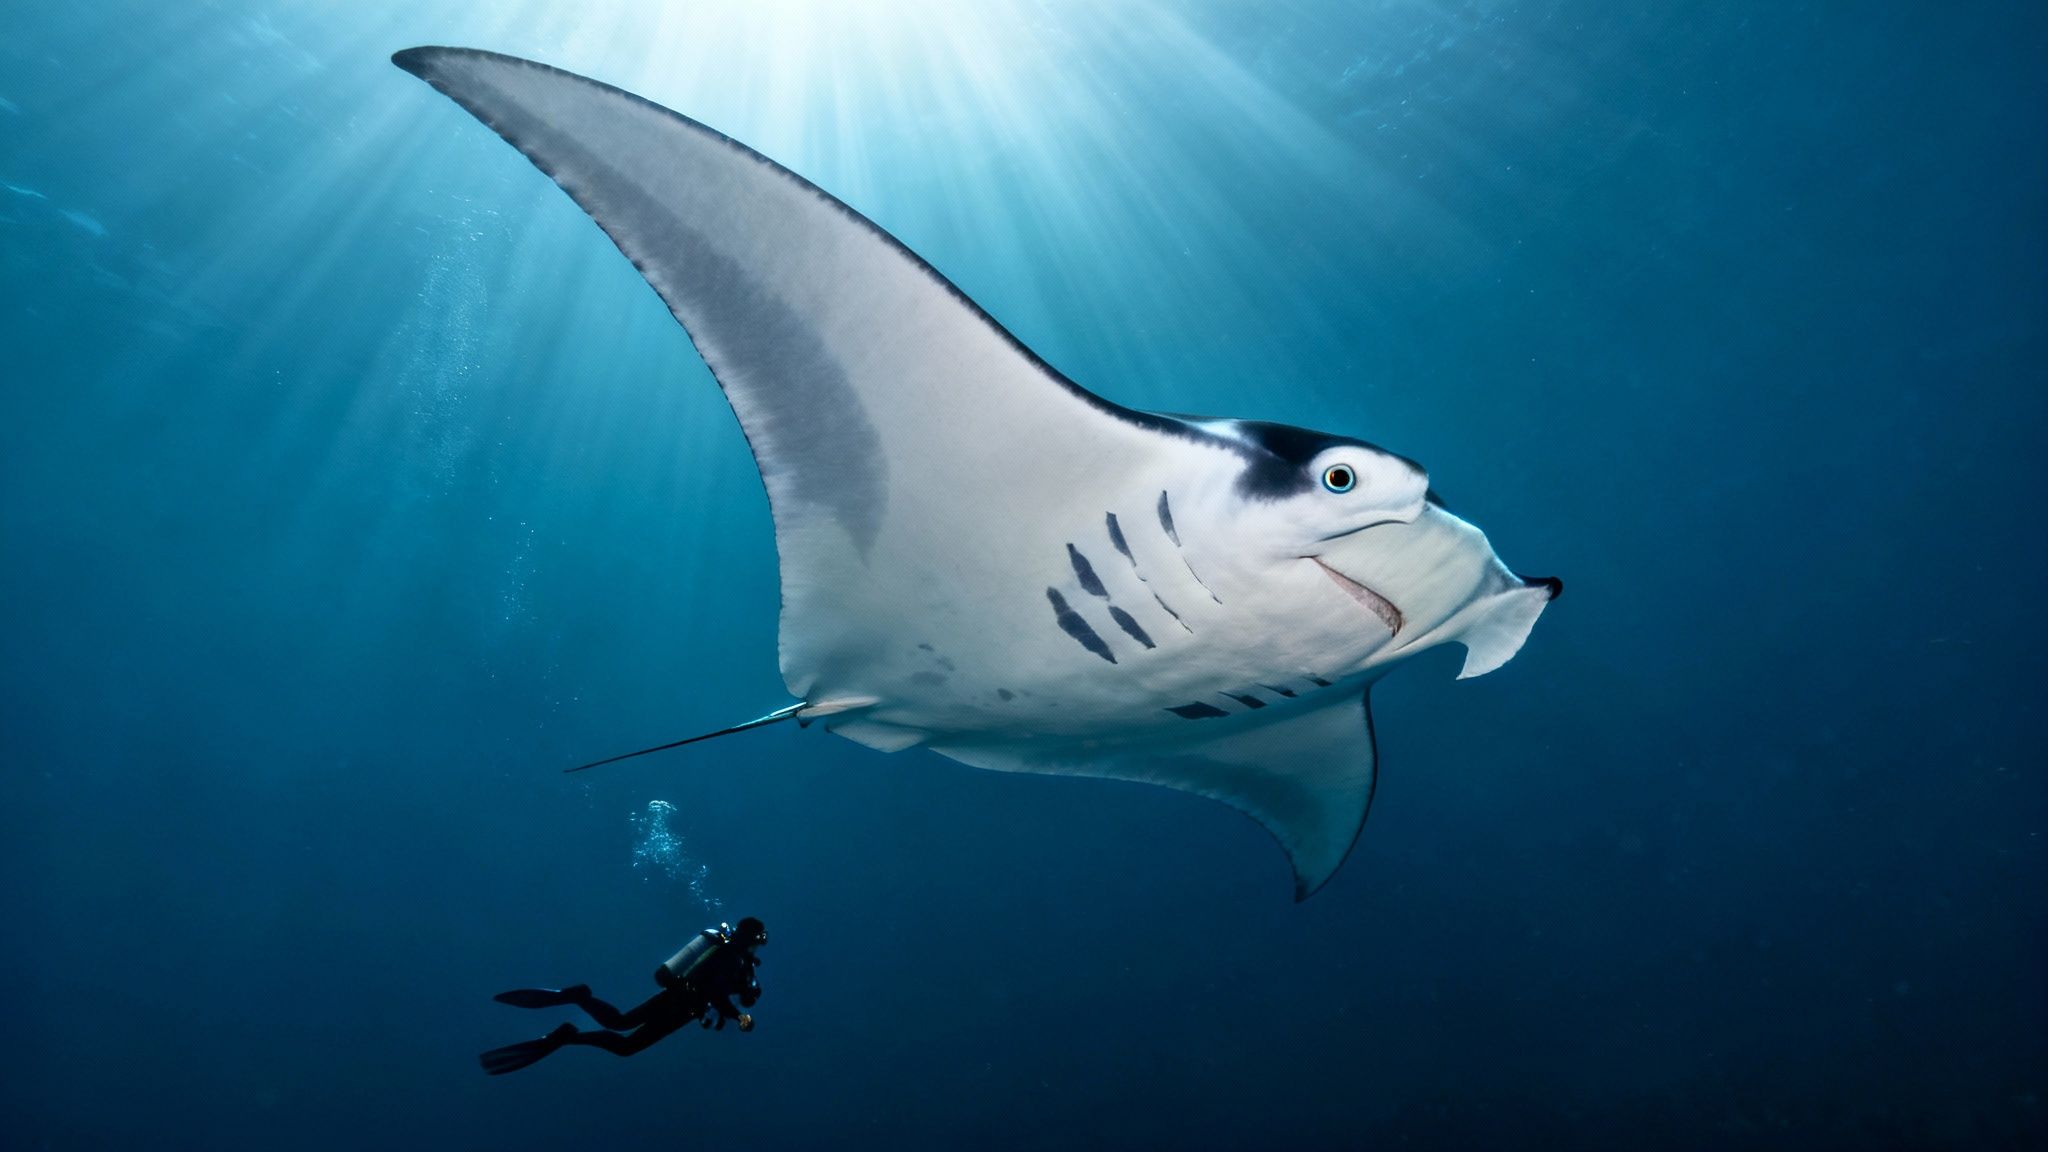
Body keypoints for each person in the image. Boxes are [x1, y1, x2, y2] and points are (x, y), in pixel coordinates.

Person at [479, 917, 768, 1075]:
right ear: (750, 939)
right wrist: (738, 1016)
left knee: (620, 1023)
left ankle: (578, 1001)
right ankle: (569, 1032)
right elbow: (716, 992)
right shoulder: (732, 958)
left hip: (676, 999)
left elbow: (724, 991)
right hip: (681, 1006)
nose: (756, 948)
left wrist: (741, 1002)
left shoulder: (731, 956)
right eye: (756, 942)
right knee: (626, 1044)